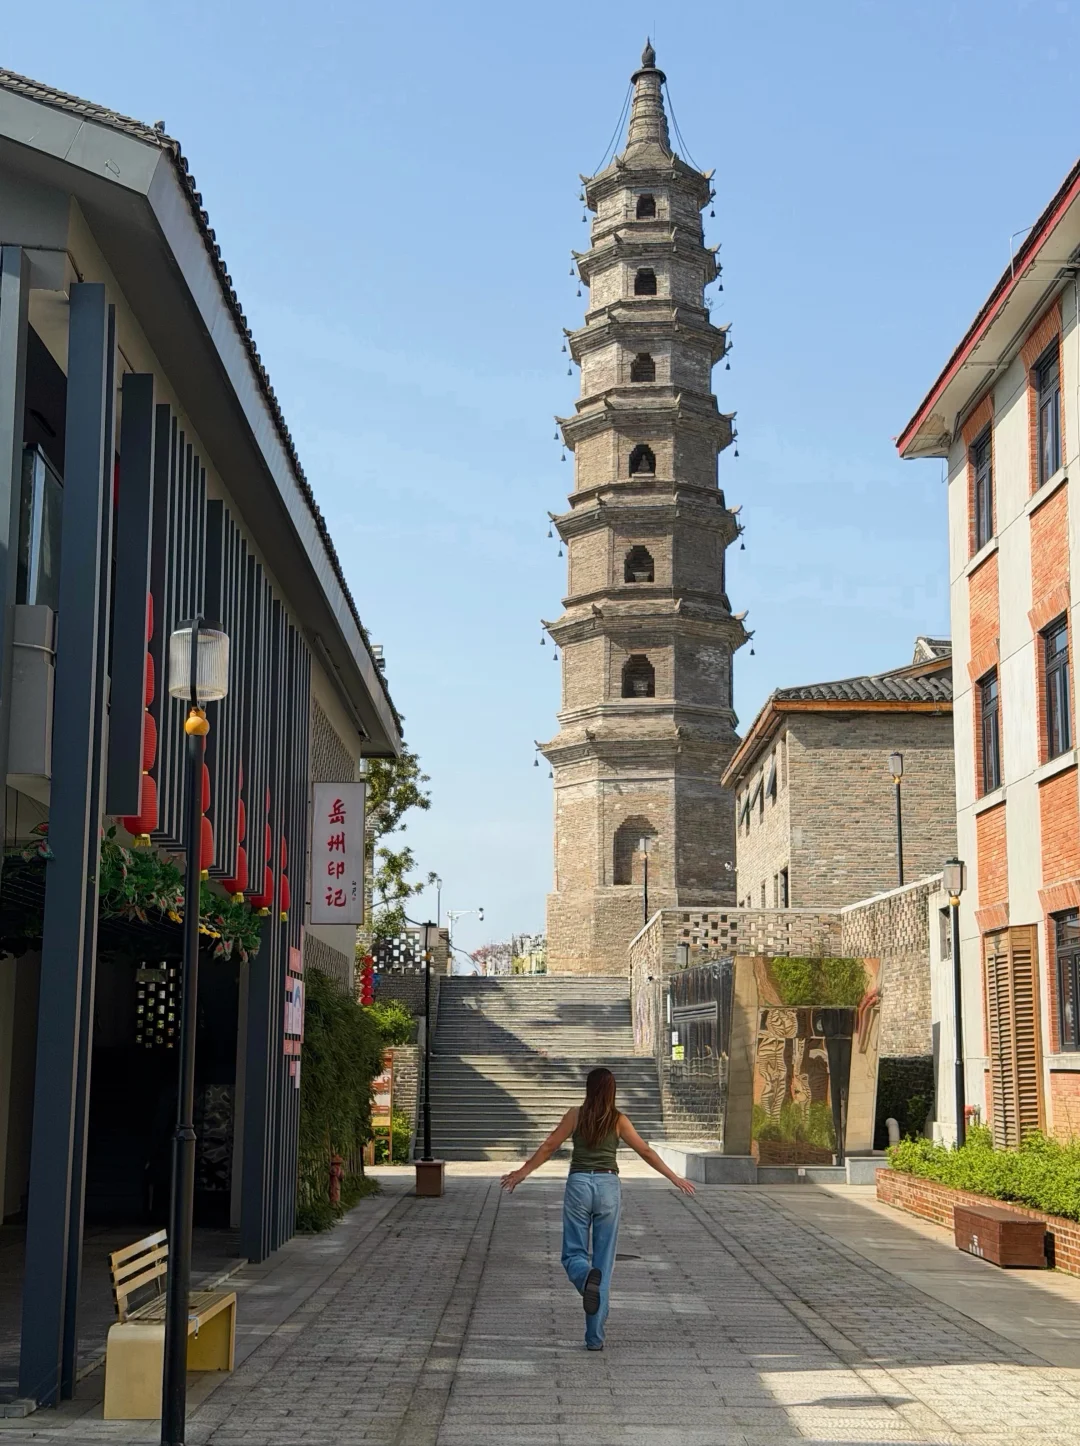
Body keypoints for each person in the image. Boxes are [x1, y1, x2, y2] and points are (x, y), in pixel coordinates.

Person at [500, 1066, 695, 1351]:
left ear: (588, 1088)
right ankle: (594, 1338)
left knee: (573, 1253)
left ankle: (583, 1277)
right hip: (608, 1186)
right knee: (603, 1263)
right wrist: (674, 1178)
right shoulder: (619, 1120)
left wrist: (522, 1172)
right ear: (612, 1091)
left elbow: (549, 1145)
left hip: (579, 1184)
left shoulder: (575, 1115)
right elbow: (645, 1151)